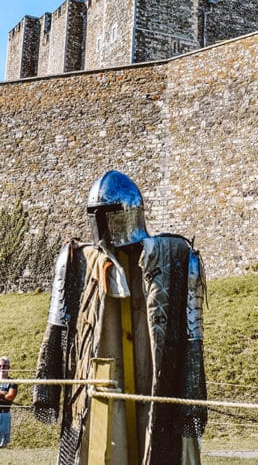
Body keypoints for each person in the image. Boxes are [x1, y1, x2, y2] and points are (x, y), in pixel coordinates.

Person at [32, 170, 207, 465]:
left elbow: (192, 341)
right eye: (95, 214)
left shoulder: (179, 258)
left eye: (109, 212)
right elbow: (56, 333)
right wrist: (47, 393)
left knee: (161, 446)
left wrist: (191, 400)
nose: (101, 222)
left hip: (159, 390)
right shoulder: (73, 261)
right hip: (96, 398)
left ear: (128, 212)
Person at [0, 357, 17, 447]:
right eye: (0, 366)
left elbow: (10, 397)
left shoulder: (12, 382)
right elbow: (6, 396)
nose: (2, 368)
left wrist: (4, 396)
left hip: (4, 415)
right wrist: (2, 394)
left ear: (9, 367)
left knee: (2, 444)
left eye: (4, 366)